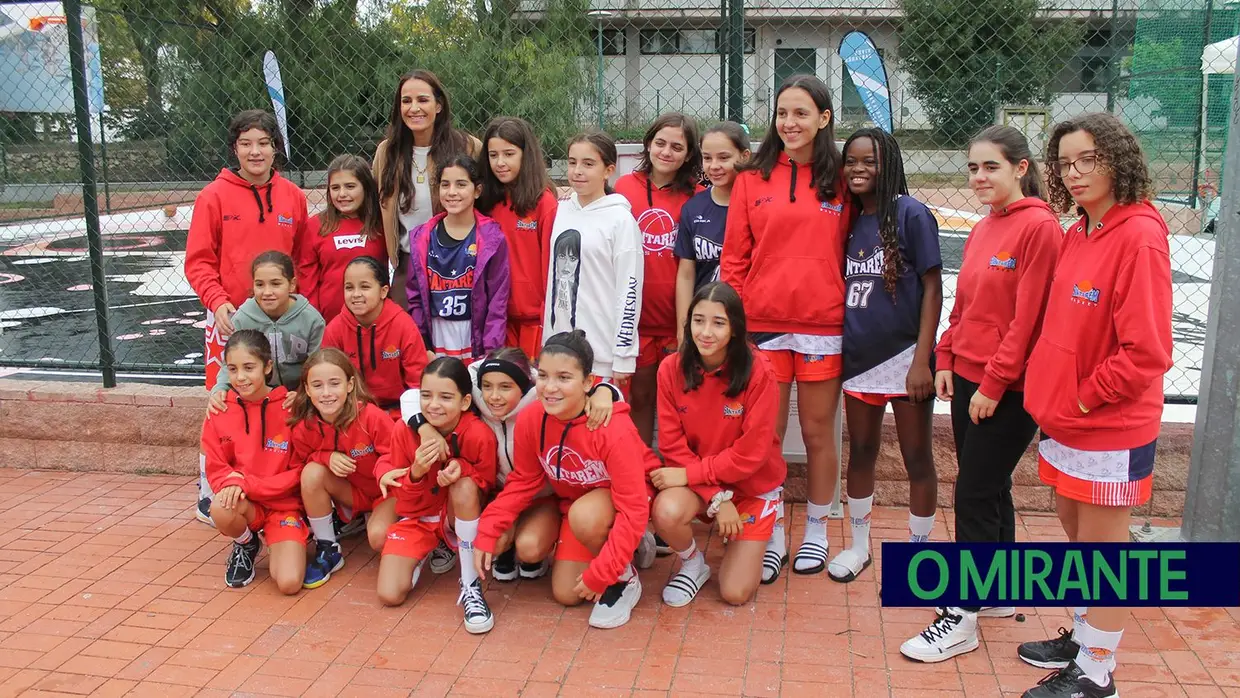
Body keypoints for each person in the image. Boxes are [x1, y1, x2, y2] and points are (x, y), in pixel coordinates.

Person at [1016, 113, 1172, 698]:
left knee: (1106, 554)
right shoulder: (1081, 229)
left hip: (1108, 425)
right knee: (1079, 536)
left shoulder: (1140, 235)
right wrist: (1052, 394)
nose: (1075, 174)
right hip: (1065, 421)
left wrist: (1082, 395)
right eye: (1065, 164)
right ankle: (1084, 637)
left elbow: (1148, 352)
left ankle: (1098, 671)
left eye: (1089, 160)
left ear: (1117, 160)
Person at [900, 125, 1062, 663]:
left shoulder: (1040, 228)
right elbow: (967, 306)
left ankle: (962, 617)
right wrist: (946, 356)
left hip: (1007, 387)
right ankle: (998, 590)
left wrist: (992, 384)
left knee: (972, 492)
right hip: (970, 377)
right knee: (990, 489)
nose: (978, 178)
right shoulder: (983, 228)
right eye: (972, 167)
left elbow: (1028, 320)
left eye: (990, 167)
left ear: (1020, 167)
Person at [720, 74, 852, 578]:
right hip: (763, 326)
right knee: (765, 435)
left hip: (822, 325)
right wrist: (734, 322)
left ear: (823, 119)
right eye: (782, 113)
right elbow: (734, 258)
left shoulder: (842, 176)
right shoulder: (752, 176)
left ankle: (817, 529)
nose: (789, 123)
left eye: (801, 113)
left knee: (818, 432)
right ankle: (770, 528)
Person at [473, 331, 660, 629]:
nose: (550, 388)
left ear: (588, 382)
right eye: (544, 376)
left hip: (617, 504)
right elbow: (523, 480)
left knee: (586, 520)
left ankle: (625, 577)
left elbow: (633, 509)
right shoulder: (532, 419)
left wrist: (603, 572)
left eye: (563, 377)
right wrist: (488, 527)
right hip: (573, 507)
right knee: (566, 593)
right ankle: (620, 547)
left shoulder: (614, 428)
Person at [398, 347, 621, 581]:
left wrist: (606, 390)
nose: (494, 396)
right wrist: (424, 428)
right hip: (498, 494)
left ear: (523, 386)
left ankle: (531, 546)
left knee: (531, 548)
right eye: (488, 387)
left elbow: (586, 392)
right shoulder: (477, 392)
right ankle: (504, 550)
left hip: (539, 495)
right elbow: (411, 396)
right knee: (492, 541)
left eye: (505, 387)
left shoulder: (542, 398)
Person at [185, 109, 309, 524]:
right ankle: (211, 487)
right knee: (223, 397)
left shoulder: (293, 196)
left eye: (263, 143)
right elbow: (198, 262)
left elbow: (304, 261)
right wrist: (218, 301)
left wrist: (298, 304)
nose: (255, 151)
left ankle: (268, 486)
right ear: (234, 148)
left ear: (276, 147)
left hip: (282, 317)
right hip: (232, 319)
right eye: (246, 143)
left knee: (278, 396)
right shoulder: (213, 197)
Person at [648, 282, 786, 607]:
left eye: (718, 323)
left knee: (735, 593)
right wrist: (717, 497)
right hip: (703, 484)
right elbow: (671, 445)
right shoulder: (670, 369)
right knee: (665, 510)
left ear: (735, 329)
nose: (706, 332)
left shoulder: (760, 372)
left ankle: (771, 519)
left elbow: (751, 454)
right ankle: (694, 563)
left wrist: (697, 479)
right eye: (698, 320)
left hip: (750, 484)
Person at [374, 358, 498, 635]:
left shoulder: (479, 433)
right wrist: (415, 473)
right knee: (389, 594)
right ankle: (427, 549)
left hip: (456, 515)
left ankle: (470, 585)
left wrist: (463, 469)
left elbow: (487, 482)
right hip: (418, 516)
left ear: (465, 402)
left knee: (464, 487)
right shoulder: (403, 430)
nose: (433, 405)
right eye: (426, 395)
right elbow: (401, 495)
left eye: (445, 397)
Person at [614, 113, 704, 445]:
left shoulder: (697, 195)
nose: (667, 152)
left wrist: (685, 327)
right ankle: (639, 474)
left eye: (677, 147)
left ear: (689, 153)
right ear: (648, 144)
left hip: (677, 320)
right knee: (640, 399)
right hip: (635, 320)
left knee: (682, 404)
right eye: (661, 143)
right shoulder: (624, 188)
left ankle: (681, 475)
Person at [202, 330, 307, 593]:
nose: (240, 377)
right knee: (221, 507)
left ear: (268, 366)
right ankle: (246, 543)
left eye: (249, 368)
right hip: (245, 505)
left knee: (289, 583)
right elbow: (215, 467)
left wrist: (247, 483)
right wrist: (233, 484)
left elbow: (299, 472)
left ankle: (293, 536)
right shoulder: (219, 409)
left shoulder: (291, 408)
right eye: (233, 369)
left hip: (284, 507)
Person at [289, 348, 397, 589]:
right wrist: (324, 456)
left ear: (349, 385)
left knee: (378, 537)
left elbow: (397, 457)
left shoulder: (371, 417)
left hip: (386, 493)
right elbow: (300, 465)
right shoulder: (304, 427)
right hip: (351, 493)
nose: (326, 393)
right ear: (307, 389)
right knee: (312, 472)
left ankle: (400, 528)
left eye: (334, 383)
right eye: (317, 385)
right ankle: (328, 547)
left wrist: (382, 472)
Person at [543, 132, 644, 386]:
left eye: (588, 164)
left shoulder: (620, 220)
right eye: (572, 162)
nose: (577, 171)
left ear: (608, 170)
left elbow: (629, 290)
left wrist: (623, 356)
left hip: (602, 358)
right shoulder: (562, 210)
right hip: (559, 350)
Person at [373, 70, 482, 305]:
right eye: (406, 101)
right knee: (403, 342)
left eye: (423, 100)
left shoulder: (468, 147)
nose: (414, 108)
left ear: (439, 105)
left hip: (459, 265)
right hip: (407, 266)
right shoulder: (387, 153)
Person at [406, 154, 511, 364]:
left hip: (474, 336)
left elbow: (497, 302)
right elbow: (414, 297)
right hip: (437, 335)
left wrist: (491, 352)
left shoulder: (492, 239)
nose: (452, 192)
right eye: (445, 185)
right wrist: (423, 345)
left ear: (477, 190)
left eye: (461, 184)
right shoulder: (421, 238)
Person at [477, 116, 559, 358]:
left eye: (509, 154)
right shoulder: (485, 203)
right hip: (496, 320)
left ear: (526, 154)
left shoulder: (543, 203)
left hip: (534, 322)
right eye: (493, 155)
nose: (500, 163)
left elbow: (551, 271)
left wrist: (548, 322)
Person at [209, 251, 324, 407]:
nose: (267, 292)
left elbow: (319, 365)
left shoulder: (311, 320)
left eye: (276, 284)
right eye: (260, 284)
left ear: (291, 285)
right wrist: (220, 388)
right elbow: (230, 362)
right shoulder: (242, 319)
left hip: (300, 395)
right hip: (258, 395)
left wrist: (303, 394)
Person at [320, 257, 428, 415]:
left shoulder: (403, 325)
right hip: (352, 411)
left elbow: (417, 382)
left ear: (383, 291)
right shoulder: (335, 329)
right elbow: (328, 380)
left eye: (365, 287)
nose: (356, 294)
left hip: (400, 411)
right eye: (349, 288)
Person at [674, 122, 751, 341]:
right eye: (707, 158)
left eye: (724, 158)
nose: (714, 166)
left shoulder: (758, 205)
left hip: (748, 319)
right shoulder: (694, 207)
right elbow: (686, 273)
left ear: (744, 156)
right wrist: (683, 330)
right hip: (707, 324)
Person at [300, 154, 388, 323]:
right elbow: (306, 278)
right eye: (335, 188)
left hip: (374, 318)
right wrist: (312, 318)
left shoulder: (381, 224)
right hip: (329, 321)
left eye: (350, 186)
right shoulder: (315, 226)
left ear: (365, 188)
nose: (342, 194)